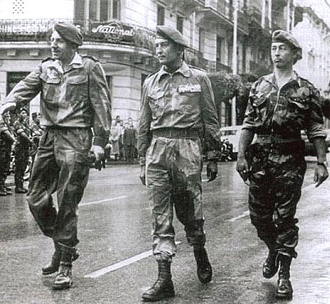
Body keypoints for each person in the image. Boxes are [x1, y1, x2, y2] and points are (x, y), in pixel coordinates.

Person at [0, 22, 111, 290]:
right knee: (35, 197)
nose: (53, 44)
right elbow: (25, 87)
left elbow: (102, 105)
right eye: (51, 40)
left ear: (72, 44)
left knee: (67, 199)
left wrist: (100, 143)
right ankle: (64, 246)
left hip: (76, 138)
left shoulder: (89, 68)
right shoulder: (46, 67)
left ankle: (65, 265)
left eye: (59, 41)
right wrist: (9, 102)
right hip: (49, 138)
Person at [236, 30, 328, 299]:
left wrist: (321, 162)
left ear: (294, 55)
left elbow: (315, 128)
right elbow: (249, 124)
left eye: (282, 49)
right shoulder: (259, 86)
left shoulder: (306, 89)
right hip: (260, 157)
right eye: (274, 48)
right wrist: (241, 155)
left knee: (285, 217)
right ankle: (273, 249)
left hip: (290, 158)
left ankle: (285, 275)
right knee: (259, 217)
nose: (277, 53)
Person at [138, 26, 220, 301]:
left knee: (191, 214)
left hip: (188, 150)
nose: (158, 50)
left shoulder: (198, 79)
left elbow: (210, 118)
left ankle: (199, 249)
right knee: (160, 216)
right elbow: (144, 123)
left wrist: (211, 155)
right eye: (157, 45)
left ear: (179, 49)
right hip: (158, 150)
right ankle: (164, 278)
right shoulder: (151, 82)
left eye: (164, 45)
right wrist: (141, 160)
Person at [0, 112, 15, 196]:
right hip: (2, 150)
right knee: (1, 168)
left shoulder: (8, 124)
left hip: (7, 149)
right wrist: (14, 140)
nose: (9, 117)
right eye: (7, 115)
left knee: (5, 168)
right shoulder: (1, 123)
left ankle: (2, 185)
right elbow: (8, 135)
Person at [13, 108, 32, 193]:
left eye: (25, 113)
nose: (24, 115)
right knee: (19, 167)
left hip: (25, 148)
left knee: (23, 167)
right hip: (20, 147)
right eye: (23, 113)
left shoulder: (25, 123)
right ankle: (18, 186)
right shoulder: (17, 123)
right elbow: (22, 134)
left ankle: (21, 185)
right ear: (19, 114)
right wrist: (30, 141)